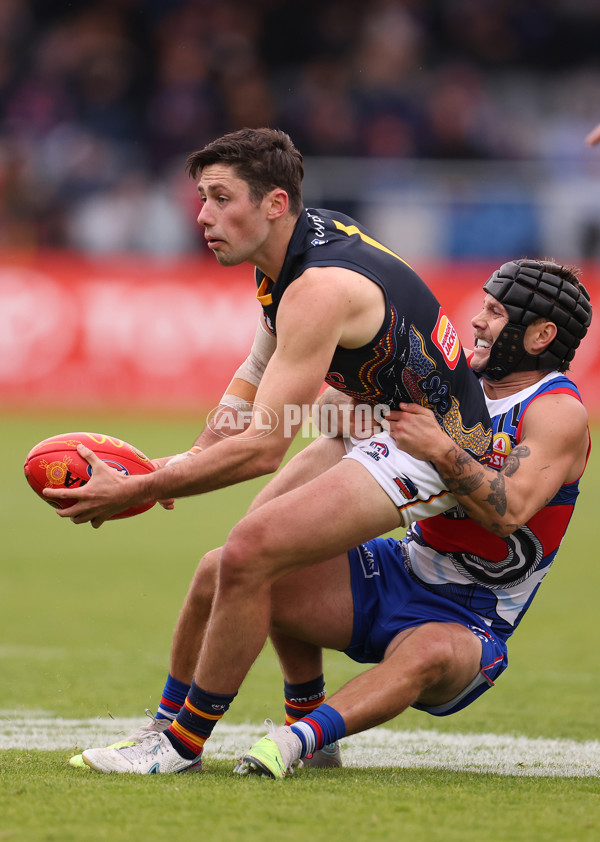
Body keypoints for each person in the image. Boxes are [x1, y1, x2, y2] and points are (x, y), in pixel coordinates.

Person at [48, 127, 496, 774]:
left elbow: (263, 447)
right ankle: (217, 728)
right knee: (224, 565)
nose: (202, 214)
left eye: (220, 197)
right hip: (375, 428)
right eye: (200, 197)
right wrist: (182, 463)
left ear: (275, 204)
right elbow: (257, 369)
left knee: (254, 551)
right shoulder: (290, 254)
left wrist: (141, 487)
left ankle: (179, 748)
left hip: (439, 451)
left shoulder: (317, 287)